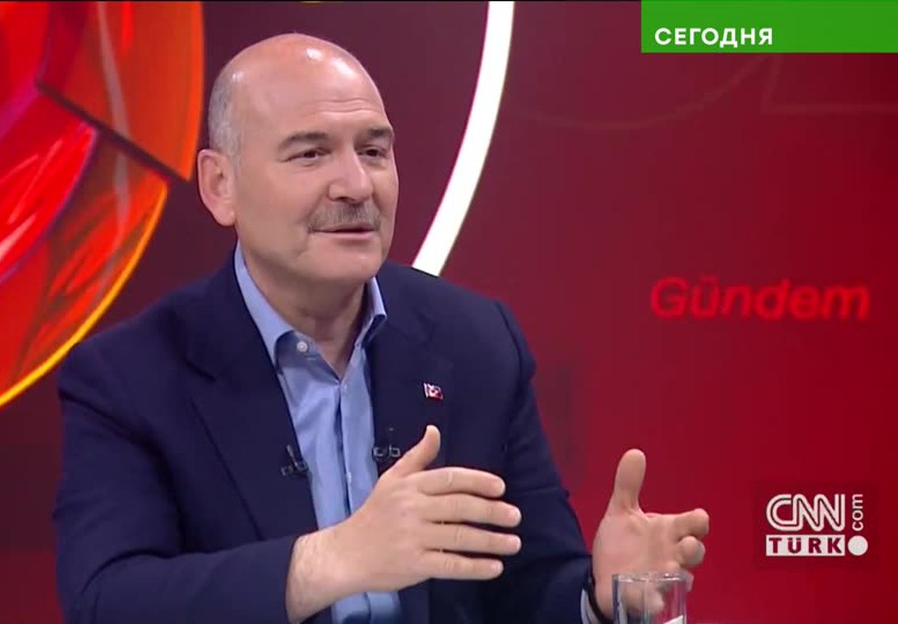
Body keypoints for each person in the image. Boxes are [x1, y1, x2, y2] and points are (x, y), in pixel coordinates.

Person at [52, 33, 710, 624]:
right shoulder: (129, 378)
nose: (356, 184)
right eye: (311, 153)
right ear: (220, 185)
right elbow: (109, 601)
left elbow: (531, 589)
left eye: (373, 151)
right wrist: (331, 560)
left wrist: (601, 598)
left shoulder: (477, 343)